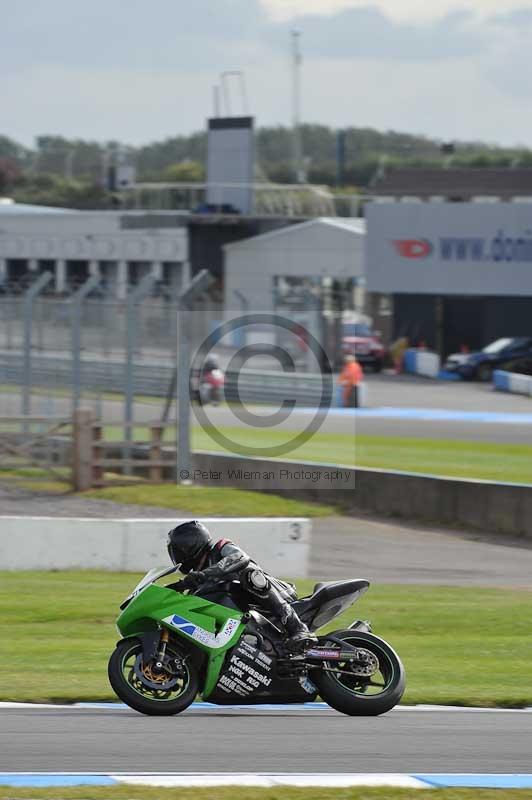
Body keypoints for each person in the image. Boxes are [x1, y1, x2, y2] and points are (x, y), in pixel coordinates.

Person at [166, 520, 317, 649]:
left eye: (178, 550)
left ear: (190, 545)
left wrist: (206, 574)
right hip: (250, 613)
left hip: (276, 593)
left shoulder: (220, 548)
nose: (176, 556)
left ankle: (298, 628)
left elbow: (240, 558)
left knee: (249, 574)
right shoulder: (197, 581)